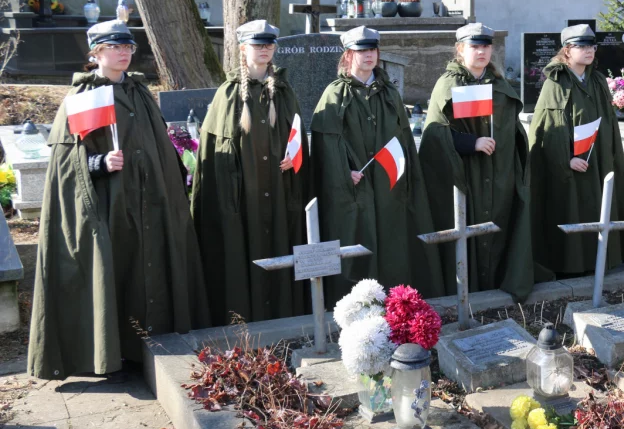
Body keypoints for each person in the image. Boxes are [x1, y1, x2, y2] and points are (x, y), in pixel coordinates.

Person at [28, 20, 209, 380]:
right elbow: (65, 161)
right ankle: (117, 351)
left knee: (149, 270)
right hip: (111, 203)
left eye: (128, 47)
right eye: (115, 47)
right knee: (119, 274)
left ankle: (152, 340)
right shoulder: (82, 98)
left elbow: (157, 144)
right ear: (95, 53)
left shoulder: (140, 92)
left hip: (151, 202)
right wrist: (98, 162)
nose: (124, 53)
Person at [311, 26, 443, 299]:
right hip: (354, 188)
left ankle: (397, 301)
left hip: (389, 184)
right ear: (348, 55)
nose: (368, 55)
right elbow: (327, 145)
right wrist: (342, 173)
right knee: (359, 242)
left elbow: (404, 139)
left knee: (393, 239)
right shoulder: (335, 95)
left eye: (372, 49)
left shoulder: (389, 93)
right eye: (362, 50)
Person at [191, 20, 308, 326]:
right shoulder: (228, 94)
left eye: (269, 44)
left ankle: (280, 316)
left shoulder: (283, 91)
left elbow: (297, 135)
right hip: (245, 198)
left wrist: (293, 156)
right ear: (243, 49)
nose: (264, 49)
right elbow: (216, 153)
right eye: (258, 45)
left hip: (280, 192)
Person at [420, 23, 537, 300]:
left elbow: (514, 131)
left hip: (498, 177)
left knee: (500, 231)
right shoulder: (448, 84)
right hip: (465, 176)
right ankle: (465, 289)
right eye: (474, 46)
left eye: (485, 46)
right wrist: (470, 143)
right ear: (460, 49)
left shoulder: (499, 85)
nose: (481, 51)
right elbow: (435, 134)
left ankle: (498, 283)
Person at [528, 24, 624, 276]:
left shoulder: (597, 80)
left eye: (592, 46)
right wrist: (566, 159)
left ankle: (602, 260)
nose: (589, 51)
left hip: (598, 159)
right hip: (570, 164)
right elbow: (547, 128)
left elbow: (608, 122)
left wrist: (608, 154)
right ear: (567, 50)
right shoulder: (556, 82)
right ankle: (574, 266)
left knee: (600, 205)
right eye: (582, 46)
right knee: (573, 209)